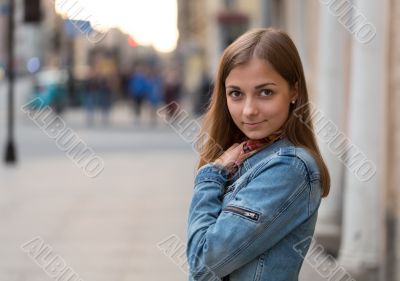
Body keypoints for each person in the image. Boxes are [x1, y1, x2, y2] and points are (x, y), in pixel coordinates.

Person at [186, 28, 330, 281]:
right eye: (236, 94)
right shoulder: (247, 153)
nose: (249, 110)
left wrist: (210, 175)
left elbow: (202, 262)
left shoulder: (290, 168)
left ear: (294, 91)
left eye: (265, 92)